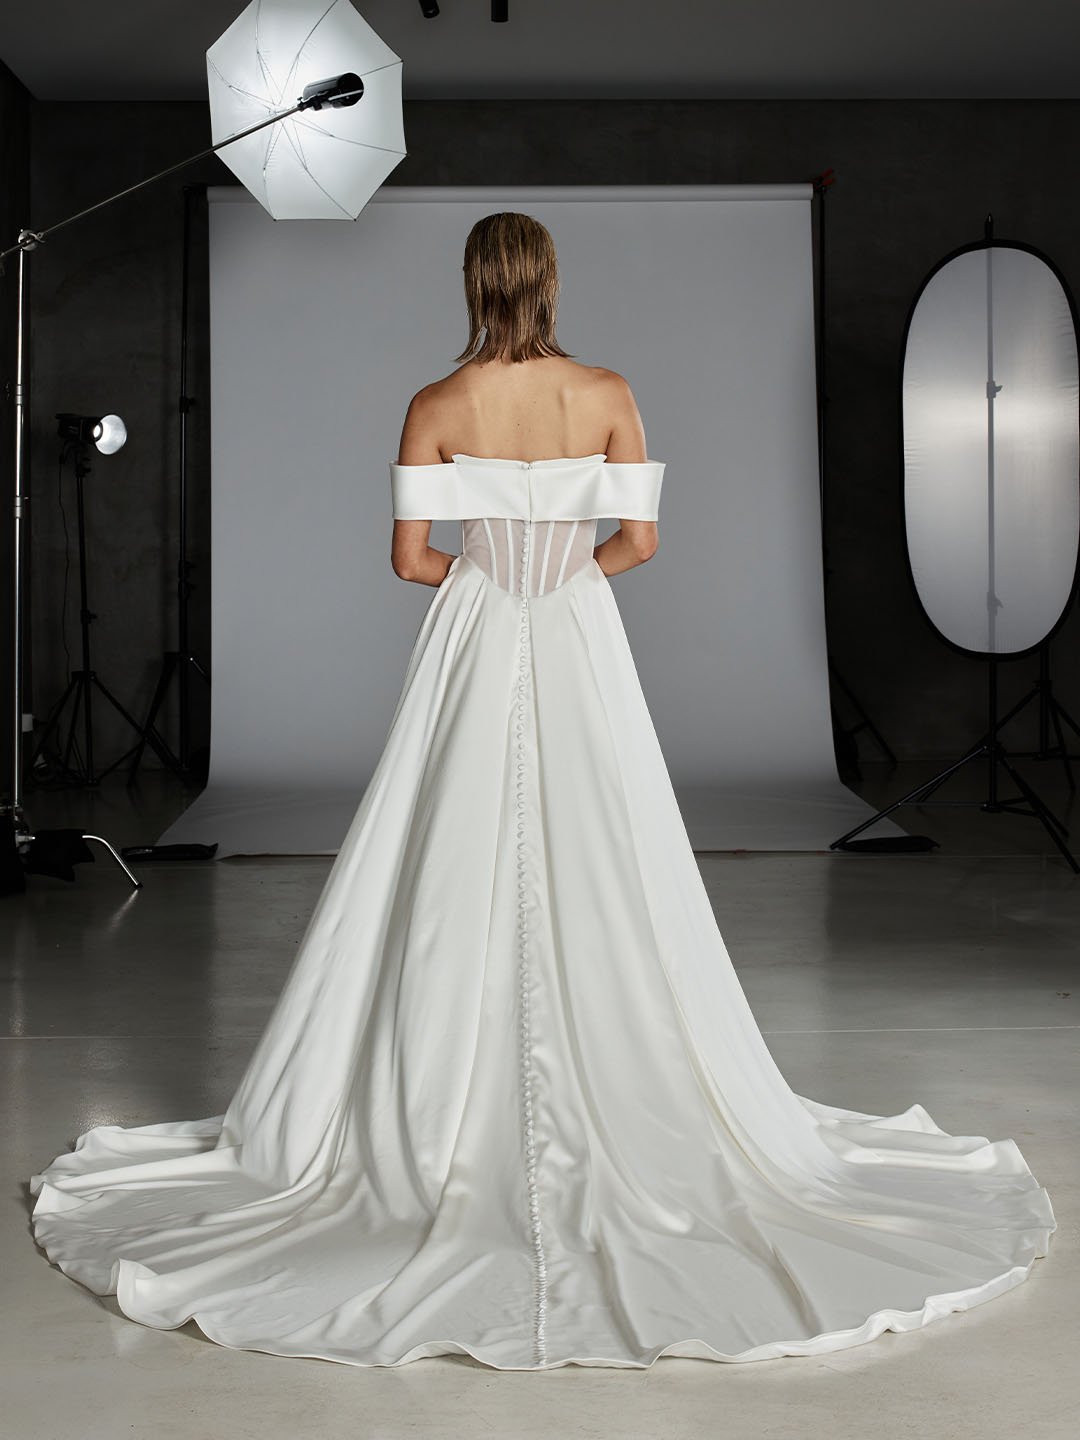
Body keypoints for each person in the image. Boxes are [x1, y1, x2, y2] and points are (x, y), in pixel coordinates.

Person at [29, 212, 1054, 1371]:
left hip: (474, 633)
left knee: (446, 847)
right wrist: (562, 575)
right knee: (603, 842)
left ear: (472, 283)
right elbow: (641, 543)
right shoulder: (608, 391)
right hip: (575, 630)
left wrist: (488, 574)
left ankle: (432, 1099)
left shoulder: (435, 402)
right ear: (550, 282)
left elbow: (410, 559)